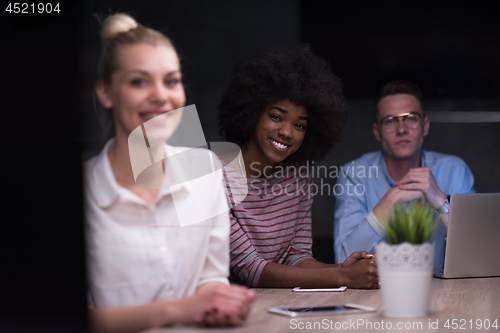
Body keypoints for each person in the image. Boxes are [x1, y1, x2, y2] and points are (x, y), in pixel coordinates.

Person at [84, 14, 254, 332]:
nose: (161, 96)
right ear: (106, 92)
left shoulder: (205, 171)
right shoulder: (80, 191)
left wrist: (219, 304)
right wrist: (184, 309)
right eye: (139, 81)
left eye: (171, 81)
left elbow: (210, 279)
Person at [218, 45, 379, 289]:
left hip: (277, 308)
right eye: (276, 116)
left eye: (300, 125)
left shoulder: (299, 175)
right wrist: (344, 277)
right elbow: (249, 269)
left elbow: (296, 256)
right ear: (252, 114)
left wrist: (344, 268)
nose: (286, 132)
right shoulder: (209, 175)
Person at [333, 80, 475, 274]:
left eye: (411, 118)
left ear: (425, 126)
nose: (401, 129)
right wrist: (391, 199)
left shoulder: (453, 170)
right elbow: (343, 261)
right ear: (378, 132)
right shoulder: (354, 173)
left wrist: (442, 203)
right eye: (390, 121)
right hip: (371, 296)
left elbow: (476, 256)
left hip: (441, 294)